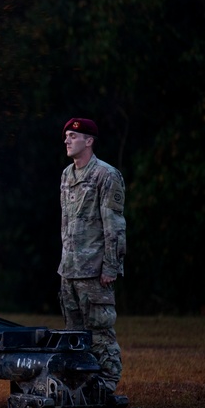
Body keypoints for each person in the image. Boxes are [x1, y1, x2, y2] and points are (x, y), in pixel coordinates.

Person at [58, 117, 126, 393]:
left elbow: (114, 225)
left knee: (100, 334)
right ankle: (82, 387)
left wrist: (111, 266)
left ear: (89, 141)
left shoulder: (106, 175)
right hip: (69, 271)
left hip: (95, 272)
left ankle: (107, 386)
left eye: (73, 136)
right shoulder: (66, 175)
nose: (67, 140)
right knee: (73, 336)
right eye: (66, 136)